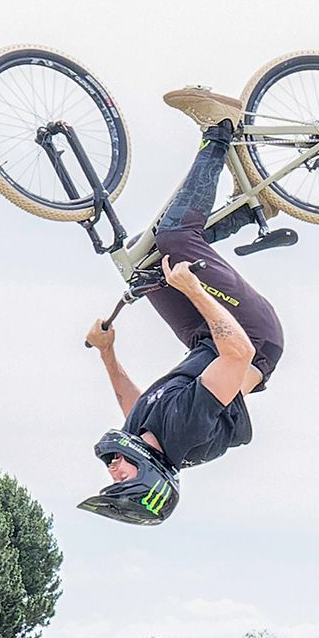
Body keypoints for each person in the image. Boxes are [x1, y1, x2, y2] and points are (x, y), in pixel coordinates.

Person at [78, 88, 287, 524]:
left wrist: (107, 352)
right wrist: (193, 290)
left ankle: (250, 210)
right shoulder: (187, 435)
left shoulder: (146, 435)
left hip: (206, 340)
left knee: (147, 269)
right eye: (121, 479)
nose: (112, 469)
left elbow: (131, 401)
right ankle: (220, 129)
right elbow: (240, 354)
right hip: (250, 335)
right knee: (175, 241)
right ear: (148, 480)